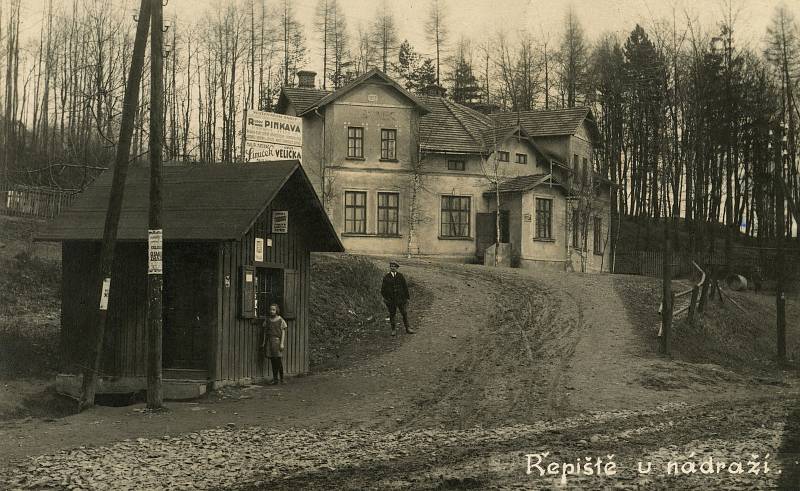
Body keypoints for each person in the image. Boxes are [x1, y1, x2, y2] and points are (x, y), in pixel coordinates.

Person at [380, 260, 415, 336]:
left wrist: (407, 298)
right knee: (392, 314)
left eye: (394, 266)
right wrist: (386, 299)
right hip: (391, 300)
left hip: (401, 299)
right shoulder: (386, 277)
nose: (392, 267)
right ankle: (393, 330)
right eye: (391, 266)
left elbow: (405, 287)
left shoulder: (400, 276)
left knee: (404, 313)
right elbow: (383, 290)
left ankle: (408, 328)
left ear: (397, 268)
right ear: (390, 267)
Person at [262, 303, 287, 384]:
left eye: (273, 310)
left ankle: (282, 379)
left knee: (278, 360)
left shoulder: (280, 320)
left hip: (277, 342)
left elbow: (283, 332)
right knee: (273, 361)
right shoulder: (267, 320)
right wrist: (263, 342)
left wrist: (282, 343)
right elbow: (265, 332)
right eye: (270, 309)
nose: (272, 311)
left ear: (277, 310)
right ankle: (275, 379)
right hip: (270, 342)